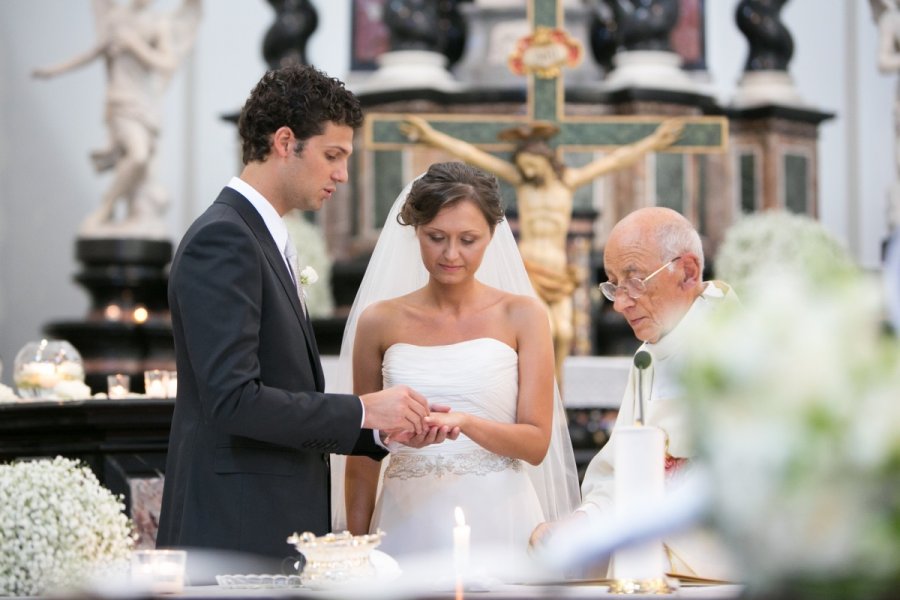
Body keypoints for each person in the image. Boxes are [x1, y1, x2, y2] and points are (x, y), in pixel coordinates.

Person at [156, 65, 442, 560]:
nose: (342, 174)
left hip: (264, 522)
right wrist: (362, 409)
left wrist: (375, 431)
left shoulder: (260, 235)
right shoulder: (224, 239)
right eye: (333, 155)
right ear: (285, 142)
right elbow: (233, 399)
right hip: (236, 530)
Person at [336, 162, 580, 567]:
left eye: (468, 239)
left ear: (492, 236)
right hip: (405, 520)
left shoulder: (524, 315)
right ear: (416, 231)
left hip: (501, 520)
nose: (451, 254)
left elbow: (537, 444)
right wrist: (356, 553)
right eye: (436, 237)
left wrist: (466, 423)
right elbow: (362, 453)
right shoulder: (379, 321)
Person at [529, 207, 739, 581]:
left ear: (688, 271)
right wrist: (583, 521)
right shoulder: (648, 358)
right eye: (612, 285)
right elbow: (620, 471)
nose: (620, 303)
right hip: (645, 567)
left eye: (635, 281)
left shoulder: (746, 344)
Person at [400, 115, 683, 381]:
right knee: (544, 329)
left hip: (557, 271)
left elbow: (615, 161)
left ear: (542, 158)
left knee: (564, 332)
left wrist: (653, 142)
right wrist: (431, 136)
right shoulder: (524, 186)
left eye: (530, 164)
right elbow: (473, 155)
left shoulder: (568, 182)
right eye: (522, 166)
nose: (526, 170)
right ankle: (535, 386)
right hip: (530, 266)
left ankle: (555, 389)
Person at [33, 0, 202, 238]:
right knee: (138, 155)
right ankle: (105, 208)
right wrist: (53, 71)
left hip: (144, 104)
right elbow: (92, 54)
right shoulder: (117, 20)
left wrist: (136, 46)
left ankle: (131, 214)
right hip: (120, 102)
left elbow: (168, 62)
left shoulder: (157, 24)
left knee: (141, 168)